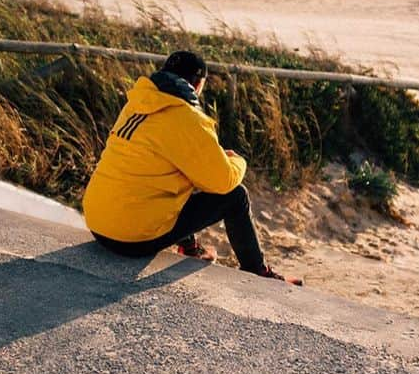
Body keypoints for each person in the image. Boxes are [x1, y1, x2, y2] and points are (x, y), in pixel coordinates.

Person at [83, 50, 301, 284]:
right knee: (236, 196)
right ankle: (258, 273)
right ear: (197, 86)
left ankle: (190, 248)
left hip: (97, 224)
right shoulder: (188, 118)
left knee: (173, 175)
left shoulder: (135, 104)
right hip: (132, 241)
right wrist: (238, 160)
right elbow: (224, 181)